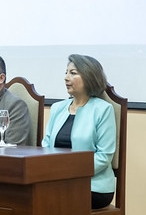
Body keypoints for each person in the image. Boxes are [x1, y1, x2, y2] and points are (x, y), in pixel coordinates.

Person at [41, 54, 116, 209]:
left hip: (94, 187)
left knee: (49, 200)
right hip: (58, 181)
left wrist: (70, 173)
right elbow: (46, 147)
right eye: (66, 72)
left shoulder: (103, 110)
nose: (66, 78)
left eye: (73, 73)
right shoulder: (57, 108)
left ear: (89, 77)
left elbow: (104, 157)